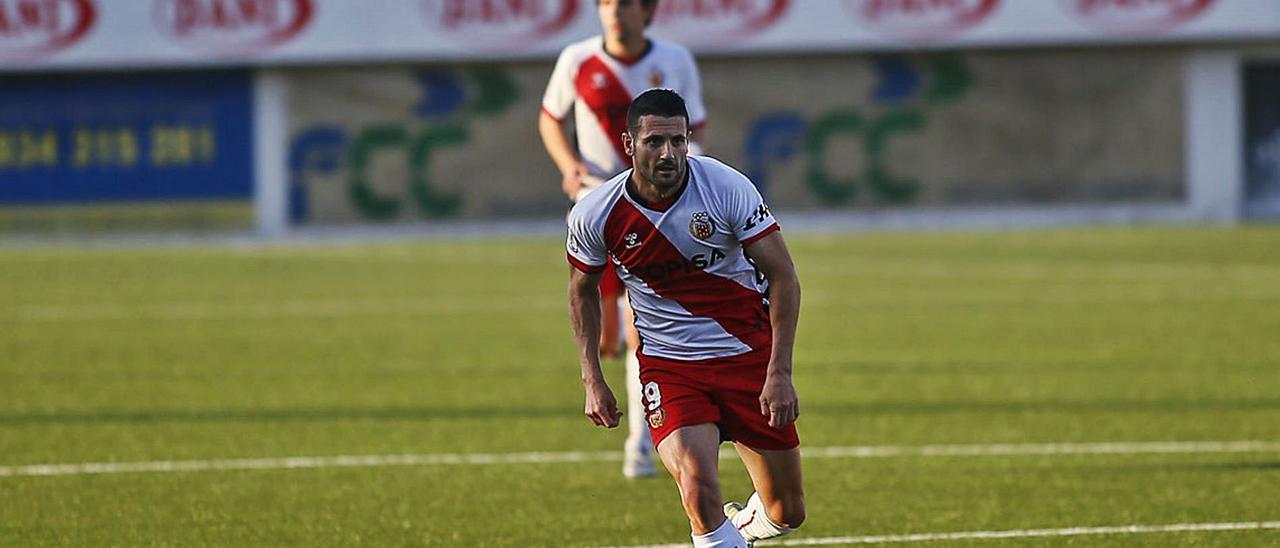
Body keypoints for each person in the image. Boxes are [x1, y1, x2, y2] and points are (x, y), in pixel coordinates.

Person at [566, 89, 804, 547]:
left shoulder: (727, 188)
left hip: (748, 359)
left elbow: (783, 277)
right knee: (697, 487)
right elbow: (581, 292)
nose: (668, 153)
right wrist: (591, 378)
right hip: (671, 367)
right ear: (629, 144)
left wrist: (780, 371)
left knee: (786, 511)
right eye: (655, 142)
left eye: (678, 141)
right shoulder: (597, 212)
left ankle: (745, 529)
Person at [540, 0, 707, 479]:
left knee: (643, 326)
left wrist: (686, 173)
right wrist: (568, 164)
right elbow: (551, 117)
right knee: (608, 327)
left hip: (659, 213)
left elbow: (694, 130)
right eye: (606, 2)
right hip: (600, 210)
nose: (615, 11)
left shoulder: (675, 60)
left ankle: (641, 442)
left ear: (648, 10)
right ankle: (638, 430)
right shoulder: (577, 59)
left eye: (627, 3)